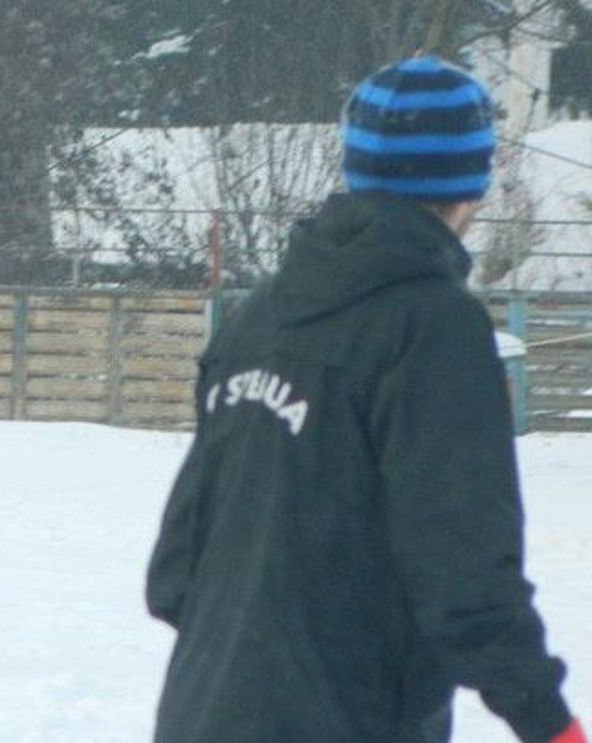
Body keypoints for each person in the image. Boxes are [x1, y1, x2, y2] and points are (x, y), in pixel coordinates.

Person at [144, 57, 584, 743]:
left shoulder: (260, 317)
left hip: (201, 713)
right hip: (347, 718)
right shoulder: (434, 327)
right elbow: (464, 572)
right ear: (474, 179)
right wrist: (549, 723)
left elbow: (176, 572)